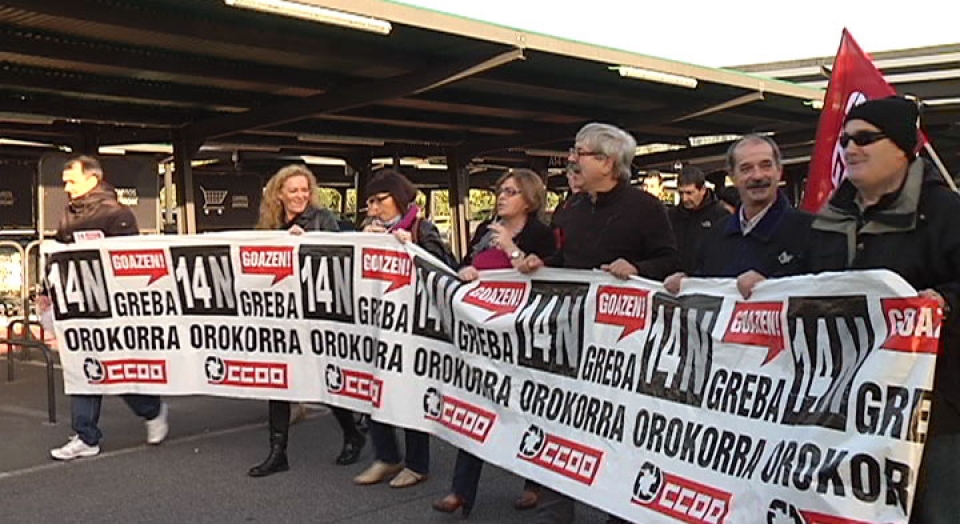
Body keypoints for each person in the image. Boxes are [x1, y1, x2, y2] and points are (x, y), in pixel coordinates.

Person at [803, 97, 960, 524]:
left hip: (938, 413)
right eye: (846, 140)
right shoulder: (826, 221)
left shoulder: (947, 212)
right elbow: (801, 287)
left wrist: (944, 301)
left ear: (905, 148)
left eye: (865, 138)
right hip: (845, 411)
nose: (850, 149)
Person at [518, 123, 679, 524]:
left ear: (607, 162)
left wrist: (638, 268)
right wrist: (542, 264)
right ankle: (556, 514)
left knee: (618, 437)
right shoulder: (570, 208)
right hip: (570, 344)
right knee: (561, 428)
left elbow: (672, 263)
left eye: (580, 152)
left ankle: (620, 513)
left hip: (623, 353)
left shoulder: (646, 208)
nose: (572, 158)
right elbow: (566, 262)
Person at [432, 169, 554, 518]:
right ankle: (461, 491)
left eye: (512, 192)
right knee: (476, 410)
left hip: (521, 340)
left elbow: (547, 276)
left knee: (525, 412)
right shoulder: (483, 232)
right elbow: (467, 264)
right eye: (501, 191)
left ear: (529, 200)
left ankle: (534, 484)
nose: (502, 197)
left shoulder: (540, 235)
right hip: (482, 339)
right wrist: (467, 271)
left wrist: (514, 250)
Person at [247, 165, 366, 477]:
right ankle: (278, 452)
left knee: (326, 379)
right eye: (294, 190)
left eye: (305, 190)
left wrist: (308, 242)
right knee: (278, 381)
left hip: (315, 314)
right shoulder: (269, 224)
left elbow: (338, 256)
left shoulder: (322, 219)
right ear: (279, 194)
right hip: (283, 316)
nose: (300, 195)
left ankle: (352, 433)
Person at [48, 155, 169, 460]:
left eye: (71, 180)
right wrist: (45, 290)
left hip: (113, 308)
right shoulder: (68, 214)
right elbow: (57, 257)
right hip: (79, 306)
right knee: (82, 368)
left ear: (93, 179)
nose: (65, 186)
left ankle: (152, 409)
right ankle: (86, 436)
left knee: (116, 370)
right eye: (64, 181)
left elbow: (129, 263)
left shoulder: (117, 214)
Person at [353, 169, 454, 488]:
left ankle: (417, 463)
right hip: (378, 327)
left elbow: (445, 266)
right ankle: (386, 456)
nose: (373, 208)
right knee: (372, 391)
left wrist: (413, 248)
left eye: (378, 200)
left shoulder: (423, 229)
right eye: (369, 202)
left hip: (413, 329)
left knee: (410, 393)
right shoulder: (370, 230)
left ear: (397, 197)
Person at [664, 135, 813, 298]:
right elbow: (703, 286)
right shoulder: (714, 236)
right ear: (732, 176)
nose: (757, 176)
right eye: (746, 168)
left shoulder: (811, 232)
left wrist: (772, 287)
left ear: (779, 171)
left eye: (766, 166)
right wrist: (687, 284)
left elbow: (826, 301)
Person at [668, 166, 730, 273]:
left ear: (702, 190)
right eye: (681, 193)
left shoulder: (720, 215)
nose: (684, 199)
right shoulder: (671, 216)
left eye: (689, 193)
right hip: (675, 281)